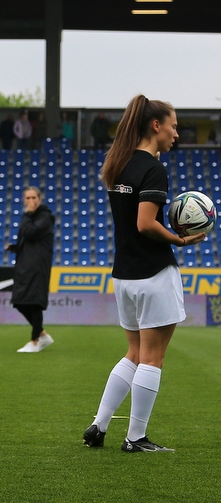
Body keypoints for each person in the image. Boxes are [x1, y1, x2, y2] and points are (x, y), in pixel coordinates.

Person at [83, 95, 206, 453]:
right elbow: (145, 223)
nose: (176, 134)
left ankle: (98, 425)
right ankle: (135, 438)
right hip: (153, 274)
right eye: (174, 126)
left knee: (134, 352)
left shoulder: (118, 164)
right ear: (156, 126)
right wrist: (179, 241)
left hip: (123, 274)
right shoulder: (154, 169)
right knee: (152, 357)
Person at [7, 187, 55, 353]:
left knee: (34, 303)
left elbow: (30, 232)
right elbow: (27, 239)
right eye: (27, 198)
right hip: (24, 266)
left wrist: (27, 215)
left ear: (39, 199)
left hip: (38, 267)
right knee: (20, 302)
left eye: (33, 197)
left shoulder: (44, 216)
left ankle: (35, 341)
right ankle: (42, 334)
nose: (30, 201)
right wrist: (14, 247)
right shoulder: (29, 217)